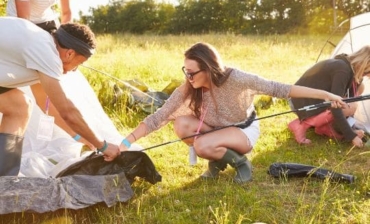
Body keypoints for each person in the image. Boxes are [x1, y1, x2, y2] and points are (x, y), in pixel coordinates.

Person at [117, 42, 345, 184]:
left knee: (202, 145)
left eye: (192, 72)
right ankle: (218, 159)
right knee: (181, 124)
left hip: (243, 130)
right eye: (185, 71)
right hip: (216, 129)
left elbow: (281, 88)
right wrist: (124, 143)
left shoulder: (236, 79)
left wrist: (326, 95)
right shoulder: (189, 87)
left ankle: (241, 163)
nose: (188, 77)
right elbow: (158, 117)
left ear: (208, 68)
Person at [0, 17, 121, 176]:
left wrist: (78, 136)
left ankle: (4, 177)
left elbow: (45, 103)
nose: (74, 70)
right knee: (20, 107)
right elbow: (67, 110)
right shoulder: (46, 53)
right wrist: (102, 145)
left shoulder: (42, 46)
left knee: (21, 107)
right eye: (78, 64)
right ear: (70, 53)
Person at [288, 45, 370, 148]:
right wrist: (352, 136)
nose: (368, 76)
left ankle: (324, 126)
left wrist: (352, 130)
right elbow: (335, 106)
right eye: (369, 72)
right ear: (365, 64)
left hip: (315, 101)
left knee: (357, 93)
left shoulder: (352, 72)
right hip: (301, 103)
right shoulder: (343, 70)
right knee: (351, 106)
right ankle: (302, 124)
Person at [6, 0, 72, 33]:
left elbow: (66, 13)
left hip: (46, 19)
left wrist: (63, 37)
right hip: (19, 20)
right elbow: (24, 22)